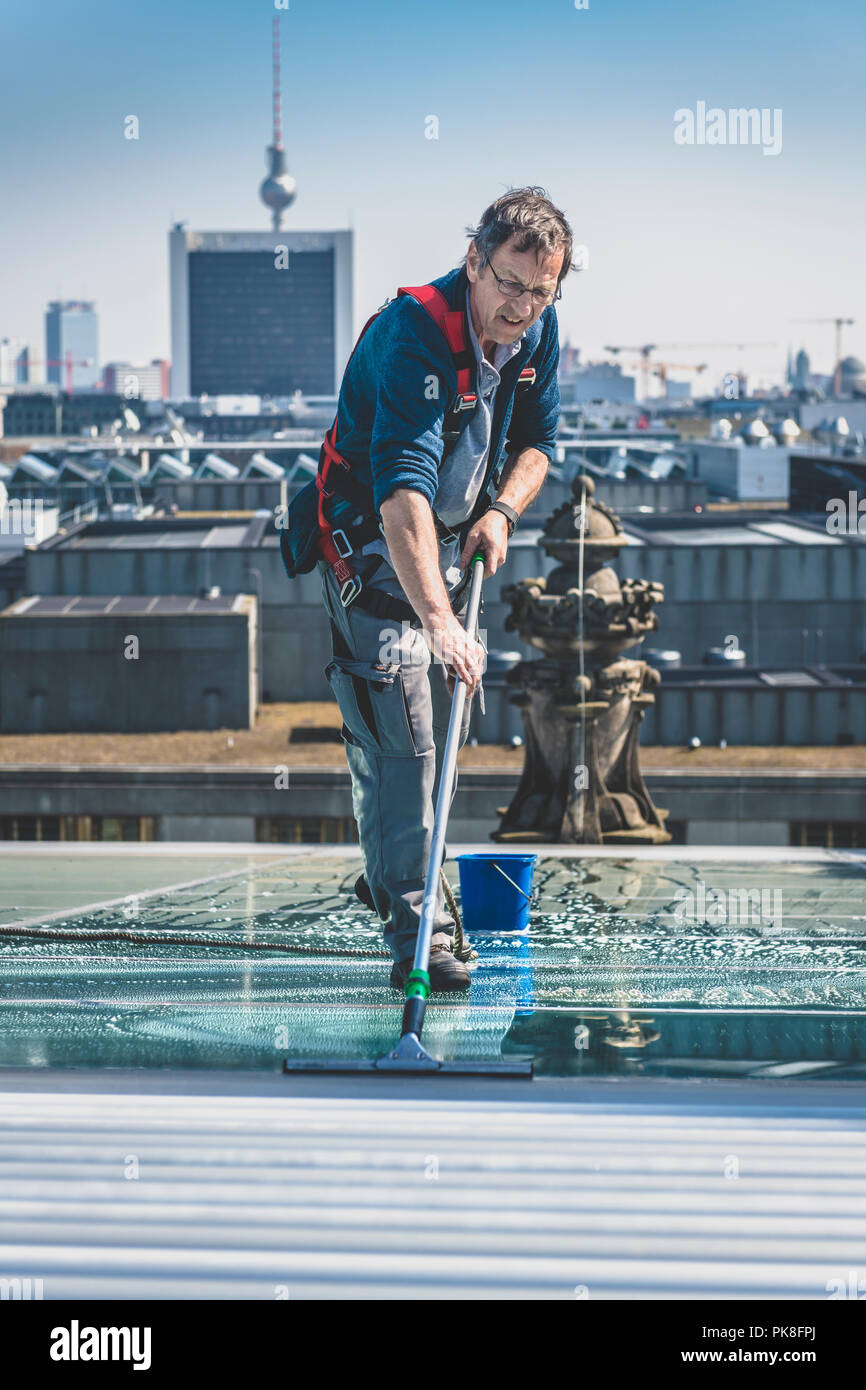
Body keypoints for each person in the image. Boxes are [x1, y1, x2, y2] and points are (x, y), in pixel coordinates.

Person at [317, 186, 572, 990]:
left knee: (423, 740)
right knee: (403, 743)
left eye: (542, 292)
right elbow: (403, 495)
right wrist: (439, 621)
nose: (523, 307)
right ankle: (415, 938)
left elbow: (539, 443)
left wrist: (501, 510)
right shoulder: (413, 338)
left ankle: (392, 870)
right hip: (373, 553)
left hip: (453, 545)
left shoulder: (536, 329)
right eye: (509, 284)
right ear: (473, 262)